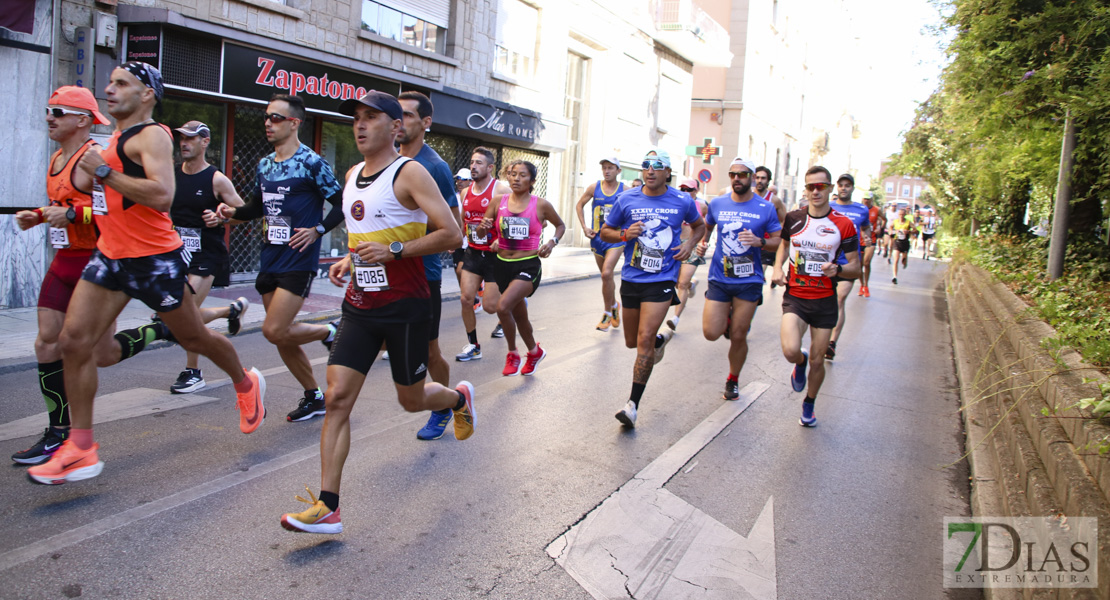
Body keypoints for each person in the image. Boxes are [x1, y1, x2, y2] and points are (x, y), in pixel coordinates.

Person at [27, 64, 265, 485]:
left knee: (195, 338)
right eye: (111, 81)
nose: (109, 89)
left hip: (153, 257)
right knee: (73, 341)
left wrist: (103, 172)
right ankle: (81, 448)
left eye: (121, 84)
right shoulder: (115, 139)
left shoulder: (152, 135)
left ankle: (245, 383)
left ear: (147, 95)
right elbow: (105, 202)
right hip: (110, 255)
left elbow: (162, 196)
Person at [279, 90, 470, 534]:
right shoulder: (351, 175)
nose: (360, 125)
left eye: (371, 118)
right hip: (361, 306)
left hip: (406, 305)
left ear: (394, 127)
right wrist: (351, 258)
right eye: (356, 119)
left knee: (412, 399)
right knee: (338, 398)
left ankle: (458, 398)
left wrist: (395, 250)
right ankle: (328, 507)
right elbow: (366, 231)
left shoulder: (411, 172)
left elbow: (452, 234)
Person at [11, 87, 128, 464]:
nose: (49, 117)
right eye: (48, 110)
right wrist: (40, 214)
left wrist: (75, 216)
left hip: (97, 263)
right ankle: (57, 432)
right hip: (64, 261)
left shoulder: (93, 159)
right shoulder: (55, 159)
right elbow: (64, 205)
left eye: (58, 111)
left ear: (82, 119)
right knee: (47, 343)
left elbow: (113, 210)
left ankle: (165, 329)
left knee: (103, 353)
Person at [216, 94, 344, 423]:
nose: (268, 123)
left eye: (275, 118)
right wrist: (231, 213)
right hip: (269, 257)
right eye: (267, 118)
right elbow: (256, 208)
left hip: (298, 259)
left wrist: (317, 230)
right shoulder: (265, 164)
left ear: (294, 123)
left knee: (274, 330)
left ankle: (329, 331)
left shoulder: (311, 162)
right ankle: (314, 397)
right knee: (283, 337)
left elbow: (341, 204)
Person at [599, 149, 705, 428]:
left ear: (668, 172)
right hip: (632, 279)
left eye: (658, 166)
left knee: (644, 339)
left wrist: (688, 245)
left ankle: (632, 405)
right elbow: (605, 232)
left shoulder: (682, 200)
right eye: (646, 165)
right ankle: (659, 343)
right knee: (633, 342)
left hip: (661, 280)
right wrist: (624, 234)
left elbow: (699, 226)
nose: (650, 170)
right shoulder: (626, 199)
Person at [395, 91, 469, 441]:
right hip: (385, 274)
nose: (400, 121)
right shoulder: (386, 160)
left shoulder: (434, 167)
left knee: (429, 350)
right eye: (397, 114)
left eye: (408, 115)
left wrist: (402, 241)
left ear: (425, 123)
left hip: (422, 276)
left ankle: (445, 405)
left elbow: (453, 228)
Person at [771, 165, 860, 428]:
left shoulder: (843, 225)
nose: (815, 191)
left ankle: (809, 401)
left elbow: (856, 267)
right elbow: (784, 246)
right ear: (806, 190)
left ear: (830, 188)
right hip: (796, 297)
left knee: (819, 360)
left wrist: (839, 269)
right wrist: (777, 267)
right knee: (790, 350)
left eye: (821, 186)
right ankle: (799, 362)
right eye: (811, 186)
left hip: (824, 301)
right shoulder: (794, 218)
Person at [166, 120, 250, 393]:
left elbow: (243, 213)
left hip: (206, 254)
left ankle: (193, 371)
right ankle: (230, 310)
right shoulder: (171, 173)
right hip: (176, 252)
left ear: (205, 142)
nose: (184, 143)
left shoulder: (216, 179)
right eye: (181, 138)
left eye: (190, 138)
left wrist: (221, 217)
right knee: (175, 315)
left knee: (186, 315)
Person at [696, 157, 781, 400]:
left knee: (739, 335)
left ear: (752, 178)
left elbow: (778, 241)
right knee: (711, 332)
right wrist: (703, 245)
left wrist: (761, 242)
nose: (737, 178)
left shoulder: (765, 208)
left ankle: (733, 379)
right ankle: (728, 317)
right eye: (733, 174)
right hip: (720, 277)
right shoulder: (718, 203)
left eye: (742, 174)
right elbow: (707, 227)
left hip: (749, 279)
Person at [477, 161, 566, 376]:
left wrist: (551, 242)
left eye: (522, 175)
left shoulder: (541, 205)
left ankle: (513, 354)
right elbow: (481, 234)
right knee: (521, 317)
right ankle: (535, 351)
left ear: (532, 181)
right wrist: (483, 228)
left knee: (502, 306)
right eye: (513, 174)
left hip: (528, 265)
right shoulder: (498, 202)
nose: (516, 178)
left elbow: (560, 225)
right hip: (502, 265)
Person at [455, 147, 512, 361]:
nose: (473, 166)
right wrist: (456, 239)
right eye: (472, 162)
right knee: (465, 299)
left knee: (489, 306)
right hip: (472, 251)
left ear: (489, 167)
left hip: (494, 256)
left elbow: (518, 213)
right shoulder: (464, 192)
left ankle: (513, 302)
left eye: (478, 163)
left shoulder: (501, 190)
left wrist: (501, 238)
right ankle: (474, 346)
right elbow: (464, 220)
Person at [825, 173, 872, 361]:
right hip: (827, 262)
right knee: (824, 301)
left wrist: (867, 237)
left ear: (853, 188)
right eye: (841, 185)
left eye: (848, 185)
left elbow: (866, 227)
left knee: (838, 300)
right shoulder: (829, 207)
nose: (844, 188)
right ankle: (822, 338)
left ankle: (831, 343)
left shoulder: (861, 209)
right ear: (837, 187)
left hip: (849, 263)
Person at [574, 156, 624, 331]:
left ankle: (607, 313)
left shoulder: (625, 190)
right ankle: (615, 305)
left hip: (616, 240)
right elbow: (579, 205)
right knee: (606, 277)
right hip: (597, 239)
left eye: (611, 168)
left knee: (606, 274)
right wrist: (584, 227)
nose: (607, 171)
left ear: (618, 170)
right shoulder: (594, 187)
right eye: (604, 168)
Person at [664, 177, 707, 332]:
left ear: (697, 191)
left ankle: (675, 318)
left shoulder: (702, 206)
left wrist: (705, 243)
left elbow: (707, 226)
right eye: (683, 189)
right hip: (676, 245)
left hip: (693, 244)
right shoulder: (674, 203)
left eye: (690, 189)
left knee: (682, 283)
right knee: (677, 282)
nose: (686, 192)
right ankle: (692, 284)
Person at [753, 166, 787, 287]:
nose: (759, 181)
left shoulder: (774, 201)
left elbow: (783, 221)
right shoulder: (748, 196)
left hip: (765, 243)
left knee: (759, 273)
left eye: (763, 178)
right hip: (748, 243)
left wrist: (779, 239)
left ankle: (754, 297)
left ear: (768, 181)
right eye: (757, 177)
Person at [859, 192, 884, 296]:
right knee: (859, 265)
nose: (866, 201)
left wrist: (880, 227)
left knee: (866, 262)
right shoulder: (859, 209)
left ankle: (866, 285)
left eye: (868, 199)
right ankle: (861, 285)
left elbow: (884, 219)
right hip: (859, 240)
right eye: (865, 199)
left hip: (871, 239)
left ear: (871, 200)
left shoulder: (877, 210)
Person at [889, 208, 914, 284]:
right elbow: (890, 227)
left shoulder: (908, 222)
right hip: (897, 242)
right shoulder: (895, 221)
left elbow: (915, 230)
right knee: (896, 260)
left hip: (905, 242)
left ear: (905, 215)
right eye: (900, 214)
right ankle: (894, 277)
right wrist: (891, 232)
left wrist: (909, 231)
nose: (901, 216)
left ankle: (905, 261)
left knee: (903, 259)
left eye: (903, 215)